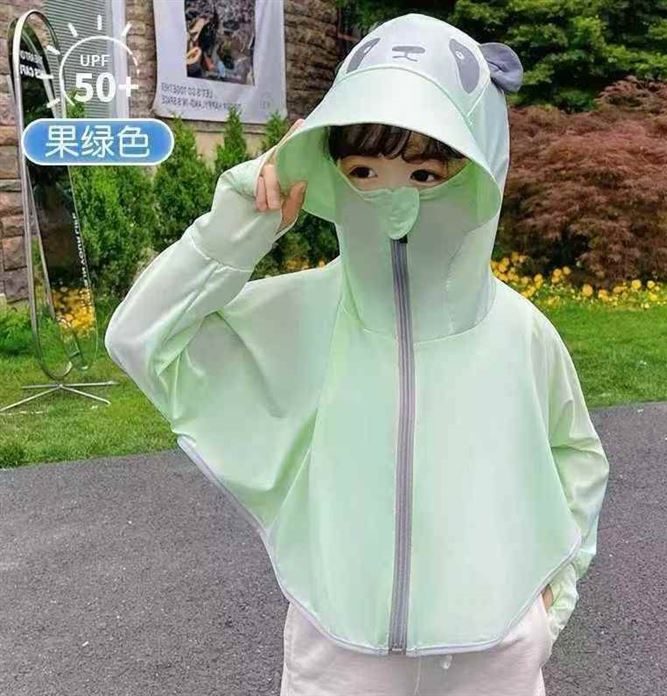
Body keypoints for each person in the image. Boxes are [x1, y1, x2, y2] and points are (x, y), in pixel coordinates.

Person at [104, 13, 610, 696]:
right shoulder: (304, 313)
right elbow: (140, 336)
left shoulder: (520, 331)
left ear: (480, 172)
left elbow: (577, 456)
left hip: (497, 654)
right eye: (363, 170)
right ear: (333, 173)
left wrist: (552, 596)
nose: (394, 195)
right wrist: (242, 220)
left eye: (426, 172)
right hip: (339, 651)